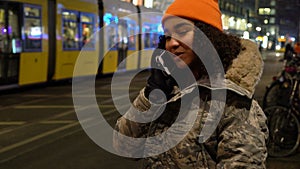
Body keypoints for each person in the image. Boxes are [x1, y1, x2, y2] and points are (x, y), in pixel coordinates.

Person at [113, 0, 268, 168]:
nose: (172, 43)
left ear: (208, 36)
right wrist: (149, 98)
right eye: (167, 36)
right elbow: (124, 147)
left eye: (182, 31)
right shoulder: (168, 88)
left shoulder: (234, 104)